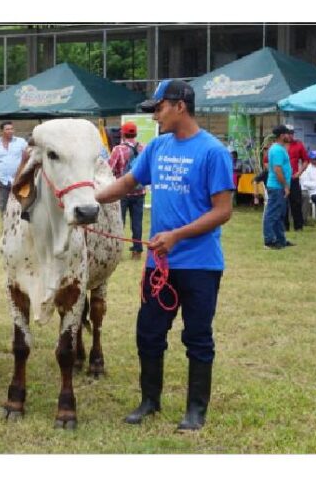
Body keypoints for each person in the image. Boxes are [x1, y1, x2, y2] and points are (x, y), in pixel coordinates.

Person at [95, 80, 233, 432]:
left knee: (198, 338)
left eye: (158, 108)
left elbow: (223, 211)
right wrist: (91, 200)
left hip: (200, 264)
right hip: (160, 266)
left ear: (179, 106)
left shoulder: (212, 152)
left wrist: (176, 236)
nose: (155, 115)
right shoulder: (157, 148)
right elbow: (128, 183)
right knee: (149, 334)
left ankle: (195, 409)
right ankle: (149, 401)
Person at [108, 121, 146, 259]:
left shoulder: (118, 150)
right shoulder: (143, 148)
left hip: (122, 192)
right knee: (137, 222)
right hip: (140, 192)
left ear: (122, 134)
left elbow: (109, 169)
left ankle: (117, 252)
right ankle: (137, 251)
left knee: (119, 222)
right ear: (135, 133)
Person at [263, 125, 293, 250]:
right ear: (282, 135)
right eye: (287, 133)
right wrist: (285, 185)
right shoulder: (277, 150)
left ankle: (280, 239)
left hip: (278, 187)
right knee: (272, 214)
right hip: (277, 187)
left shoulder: (280, 148)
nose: (289, 136)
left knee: (280, 214)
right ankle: (269, 240)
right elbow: (277, 169)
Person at [0, 121, 27, 213]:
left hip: (19, 179)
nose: (10, 131)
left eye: (11, 129)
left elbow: (28, 155)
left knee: (21, 204)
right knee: (3, 205)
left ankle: (21, 223)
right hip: (2, 180)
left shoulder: (21, 142)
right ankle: (5, 224)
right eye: (7, 129)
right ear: (2, 131)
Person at [284, 124, 310, 231]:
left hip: (294, 178)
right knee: (283, 203)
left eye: (291, 133)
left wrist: (299, 172)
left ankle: (298, 226)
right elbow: (266, 161)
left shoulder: (298, 145)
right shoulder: (277, 146)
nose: (290, 135)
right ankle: (284, 227)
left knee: (296, 202)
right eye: (288, 133)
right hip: (281, 178)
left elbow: (306, 160)